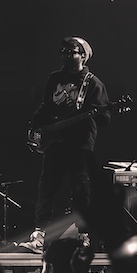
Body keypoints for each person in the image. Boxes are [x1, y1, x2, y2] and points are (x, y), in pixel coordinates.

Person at [28, 36, 114, 248]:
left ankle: (83, 234)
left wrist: (98, 113)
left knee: (81, 190)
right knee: (47, 187)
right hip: (55, 141)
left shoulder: (93, 83)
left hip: (80, 144)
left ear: (83, 56)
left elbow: (105, 118)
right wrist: (35, 127)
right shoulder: (54, 78)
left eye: (71, 52)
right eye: (63, 52)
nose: (66, 56)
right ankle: (39, 234)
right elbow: (46, 106)